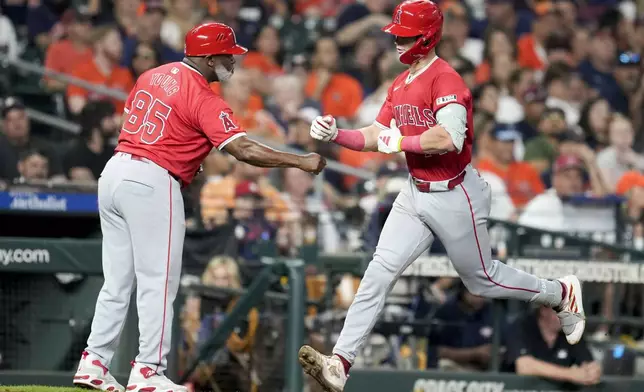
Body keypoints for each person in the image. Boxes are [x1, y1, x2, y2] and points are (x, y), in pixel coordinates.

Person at [297, 2, 585, 392]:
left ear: (427, 36)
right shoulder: (400, 82)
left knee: (482, 281)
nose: (397, 42)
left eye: (405, 35)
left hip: (455, 193)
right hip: (416, 191)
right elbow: (375, 133)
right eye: (396, 35)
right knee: (378, 271)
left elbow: (448, 138)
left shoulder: (447, 80)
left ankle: (559, 291)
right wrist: (338, 135)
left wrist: (399, 141)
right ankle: (341, 363)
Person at [72, 22, 326, 392]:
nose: (233, 61)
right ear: (209, 57)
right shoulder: (203, 96)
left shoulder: (154, 74)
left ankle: (94, 362)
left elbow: (147, 122)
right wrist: (299, 161)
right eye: (227, 55)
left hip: (114, 172)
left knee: (118, 281)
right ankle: (148, 371)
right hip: (153, 180)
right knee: (159, 282)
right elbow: (244, 150)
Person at [505, 306, 601, 388]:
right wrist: (571, 374)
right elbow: (524, 367)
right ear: (544, 310)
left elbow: (589, 364)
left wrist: (592, 372)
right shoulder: (522, 325)